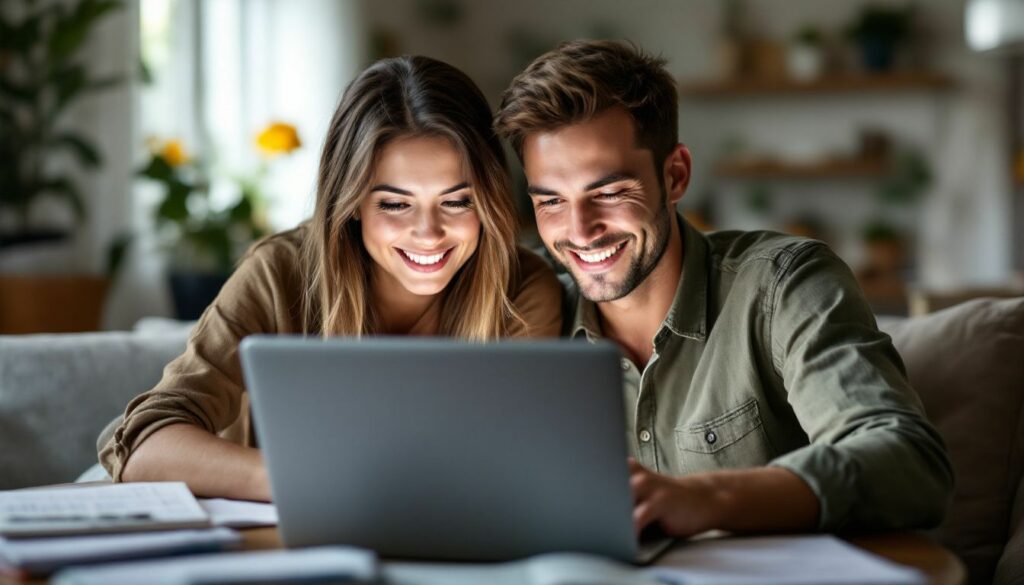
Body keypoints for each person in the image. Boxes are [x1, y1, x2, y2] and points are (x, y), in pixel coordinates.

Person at [495, 40, 953, 537]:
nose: (581, 231)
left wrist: (706, 498)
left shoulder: (784, 284)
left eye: (609, 193)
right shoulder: (527, 304)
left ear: (675, 176)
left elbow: (910, 462)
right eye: (551, 202)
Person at [98, 56, 563, 501]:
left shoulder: (521, 290)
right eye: (395, 204)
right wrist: (303, 481)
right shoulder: (281, 272)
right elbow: (142, 444)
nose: (428, 234)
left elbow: (508, 465)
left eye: (458, 201)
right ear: (353, 202)